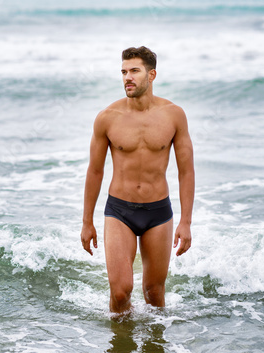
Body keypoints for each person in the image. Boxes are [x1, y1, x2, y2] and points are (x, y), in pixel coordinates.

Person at [81, 46, 194, 315]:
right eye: (123, 72)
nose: (127, 78)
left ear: (151, 75)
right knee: (120, 291)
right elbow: (94, 171)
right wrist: (87, 222)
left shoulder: (173, 115)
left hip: (158, 211)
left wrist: (186, 222)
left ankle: (155, 352)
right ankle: (119, 349)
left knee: (154, 293)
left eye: (134, 71)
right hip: (120, 210)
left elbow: (186, 171)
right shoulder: (108, 118)